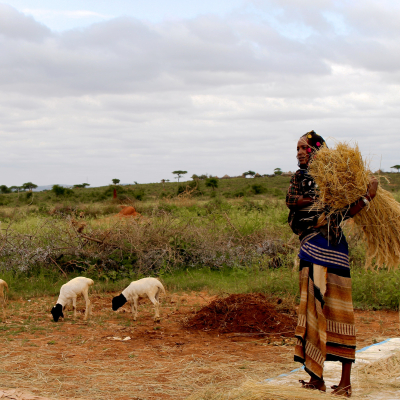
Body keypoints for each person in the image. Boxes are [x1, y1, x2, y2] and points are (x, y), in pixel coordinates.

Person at [286, 131, 378, 397]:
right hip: (312, 250)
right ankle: (317, 378)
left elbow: (343, 212)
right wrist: (325, 204)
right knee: (312, 312)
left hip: (332, 251)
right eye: (297, 148)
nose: (300, 152)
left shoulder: (336, 181)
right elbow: (294, 204)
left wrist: (365, 198)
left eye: (304, 147)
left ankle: (345, 383)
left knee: (339, 314)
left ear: (317, 150)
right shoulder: (299, 179)